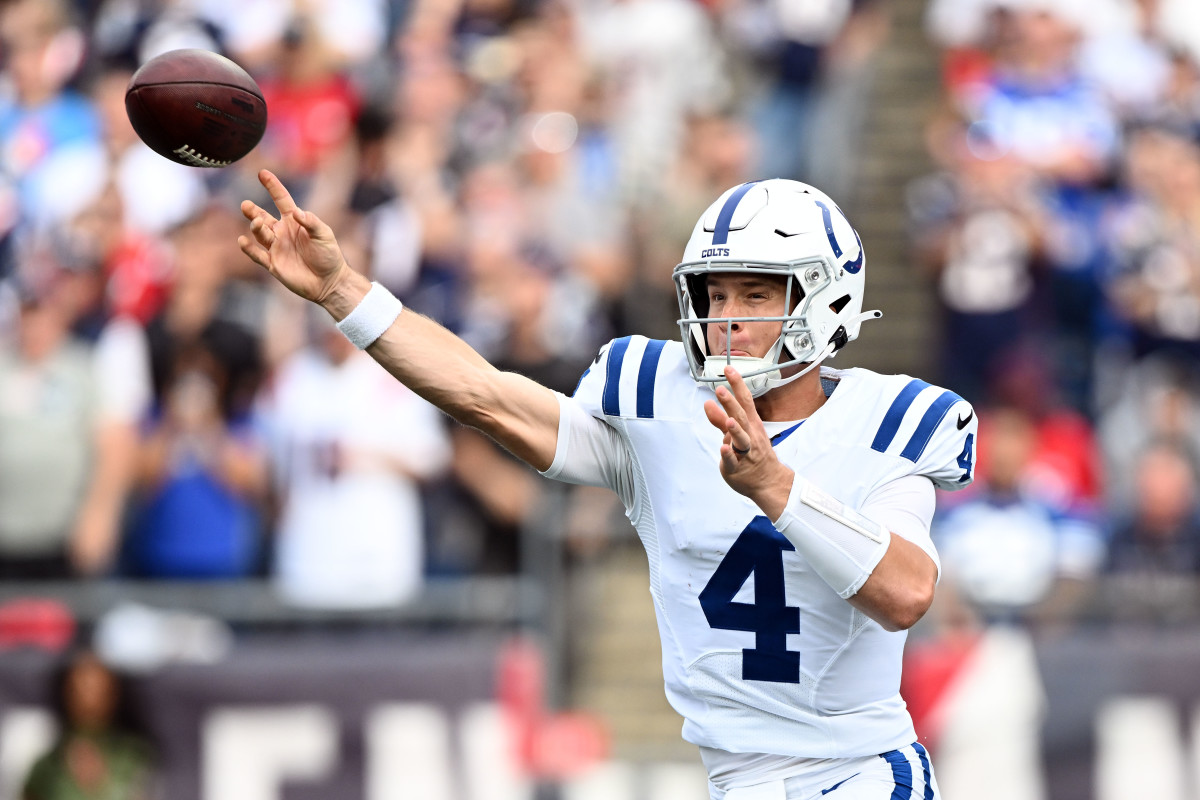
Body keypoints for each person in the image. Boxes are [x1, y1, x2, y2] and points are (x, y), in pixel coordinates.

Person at [238, 170, 978, 799]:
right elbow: (486, 396)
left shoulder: (888, 423)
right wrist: (343, 293)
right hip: (732, 779)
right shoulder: (659, 409)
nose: (726, 321)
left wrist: (775, 487)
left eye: (756, 296)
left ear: (828, 300)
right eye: (714, 296)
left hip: (856, 778)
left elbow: (907, 593)